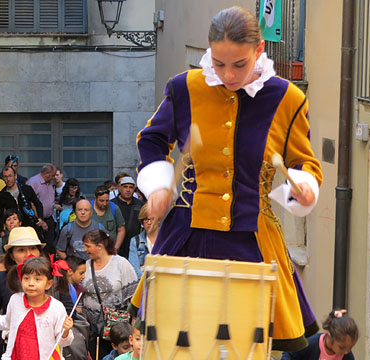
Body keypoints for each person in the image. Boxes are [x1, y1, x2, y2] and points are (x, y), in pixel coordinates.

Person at [133, 6, 323, 351]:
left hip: (253, 242)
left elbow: (304, 163)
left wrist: (304, 189)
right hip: (186, 238)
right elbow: (152, 140)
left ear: (259, 50)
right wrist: (160, 186)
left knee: (246, 348)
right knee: (176, 345)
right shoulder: (184, 88)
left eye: (239, 64)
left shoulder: (287, 99)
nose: (228, 75)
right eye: (219, 64)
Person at [0, 256, 74, 359]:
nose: (31, 283)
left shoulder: (56, 307)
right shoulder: (15, 300)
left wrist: (66, 331)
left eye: (37, 279)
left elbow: (63, 342)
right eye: (26, 278)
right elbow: (7, 322)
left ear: (49, 284)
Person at [0, 227, 46, 360]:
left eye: (33, 248)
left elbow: (68, 313)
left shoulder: (52, 278)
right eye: (21, 250)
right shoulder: (1, 279)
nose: (28, 254)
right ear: (12, 255)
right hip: (11, 349)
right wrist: (6, 334)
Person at [81, 230, 138, 360]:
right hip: (93, 329)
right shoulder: (86, 265)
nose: (85, 249)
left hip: (118, 329)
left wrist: (134, 326)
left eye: (88, 246)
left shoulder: (121, 264)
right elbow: (81, 292)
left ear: (99, 246)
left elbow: (134, 297)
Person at [281, 309, 358, 359]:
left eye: (350, 347)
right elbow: (289, 354)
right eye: (341, 347)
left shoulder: (345, 355)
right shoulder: (311, 344)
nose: (346, 351)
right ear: (330, 335)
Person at [0, 166, 44, 237]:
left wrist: (40, 218)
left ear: (15, 176)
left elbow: (38, 204)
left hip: (30, 226)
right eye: (5, 177)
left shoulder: (26, 189)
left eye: (10, 176)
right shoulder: (1, 195)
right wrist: (1, 230)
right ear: (2, 178)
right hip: (14, 228)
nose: (8, 179)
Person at [27, 164, 57, 253]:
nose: (54, 178)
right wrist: (40, 219)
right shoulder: (33, 182)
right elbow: (31, 203)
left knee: (50, 246)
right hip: (38, 220)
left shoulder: (49, 184)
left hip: (49, 219)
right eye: (52, 175)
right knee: (40, 247)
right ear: (47, 173)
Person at [111, 177, 144, 259]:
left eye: (131, 187)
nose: (128, 190)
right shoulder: (112, 205)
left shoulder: (140, 205)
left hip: (136, 247)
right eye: (125, 187)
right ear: (119, 188)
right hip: (116, 247)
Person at [128, 204, 157, 279]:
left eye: (152, 219)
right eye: (146, 219)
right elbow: (134, 269)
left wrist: (143, 267)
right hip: (142, 284)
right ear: (142, 222)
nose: (149, 222)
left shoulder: (165, 240)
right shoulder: (135, 241)